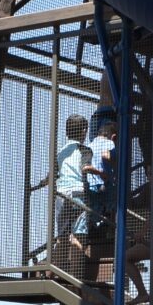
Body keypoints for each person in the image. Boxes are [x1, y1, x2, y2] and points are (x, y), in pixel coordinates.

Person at [52, 112, 90, 266]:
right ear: (83, 132)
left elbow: (53, 174)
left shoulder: (60, 153)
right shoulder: (84, 150)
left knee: (61, 236)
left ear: (67, 132)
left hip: (61, 194)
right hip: (78, 193)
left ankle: (60, 272)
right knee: (78, 235)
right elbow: (86, 168)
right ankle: (76, 276)